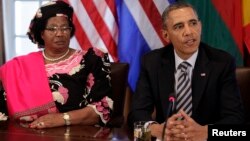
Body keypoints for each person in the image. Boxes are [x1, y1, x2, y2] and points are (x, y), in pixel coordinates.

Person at [127, 2, 245, 141]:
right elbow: (136, 115)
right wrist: (159, 130)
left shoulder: (221, 63)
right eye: (179, 26)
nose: (189, 32)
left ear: (200, 26)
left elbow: (237, 123)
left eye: (193, 23)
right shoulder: (152, 62)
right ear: (166, 35)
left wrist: (206, 132)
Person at [0, 0, 113, 129]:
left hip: (78, 133)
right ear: (41, 34)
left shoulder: (92, 59)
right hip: (25, 134)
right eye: (52, 29)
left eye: (65, 28)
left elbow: (104, 108)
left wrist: (62, 119)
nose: (59, 33)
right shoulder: (18, 67)